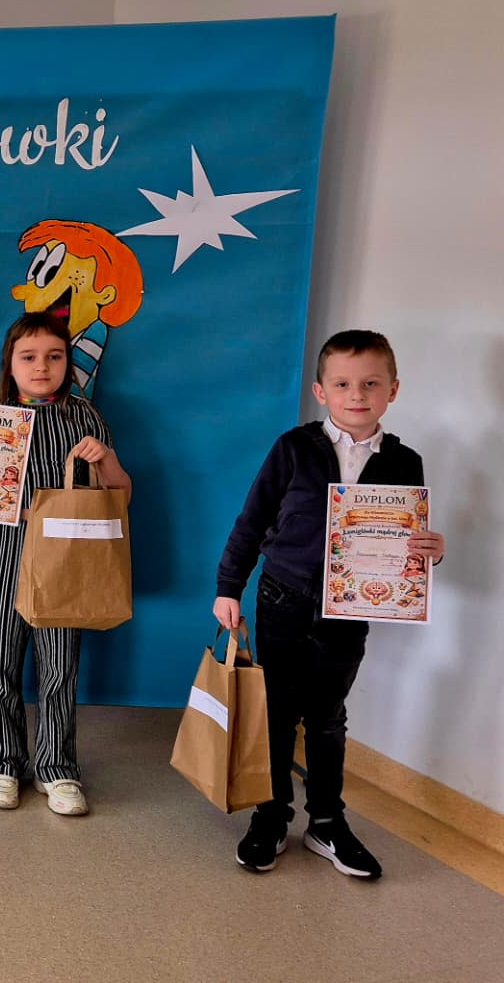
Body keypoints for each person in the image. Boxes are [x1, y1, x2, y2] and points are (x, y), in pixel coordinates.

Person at [214, 329, 445, 880]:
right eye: (342, 384)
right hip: (282, 598)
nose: (356, 394)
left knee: (327, 717)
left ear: (393, 390)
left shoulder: (405, 462)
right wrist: (229, 586)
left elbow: (405, 541)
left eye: (370, 384)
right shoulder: (294, 448)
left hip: (349, 610)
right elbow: (252, 520)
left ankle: (326, 821)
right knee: (276, 712)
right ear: (321, 391)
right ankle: (271, 815)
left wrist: (430, 552)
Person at [0, 312, 131, 816]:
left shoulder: (85, 418)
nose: (42, 367)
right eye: (29, 357)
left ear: (68, 362)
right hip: (7, 553)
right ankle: (1, 762)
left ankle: (57, 768)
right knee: (0, 661)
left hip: (66, 560)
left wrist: (104, 458)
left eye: (54, 356)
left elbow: (121, 494)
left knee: (59, 666)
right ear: (11, 364)